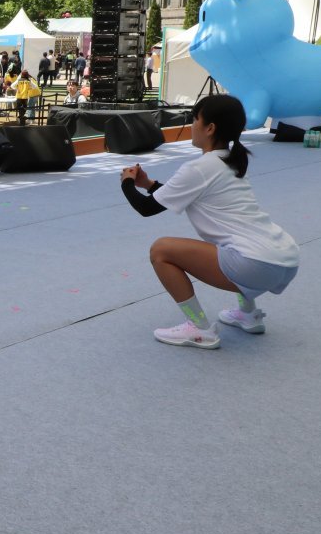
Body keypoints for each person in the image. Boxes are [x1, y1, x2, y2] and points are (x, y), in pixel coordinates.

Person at [120, 94, 299, 349]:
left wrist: (126, 181)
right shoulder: (229, 161)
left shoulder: (200, 167)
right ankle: (248, 315)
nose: (192, 124)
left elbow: (146, 209)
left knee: (161, 250)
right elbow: (183, 194)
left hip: (255, 265)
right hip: (285, 260)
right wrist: (148, 184)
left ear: (210, 128)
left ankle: (199, 328)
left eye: (195, 119)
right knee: (230, 245)